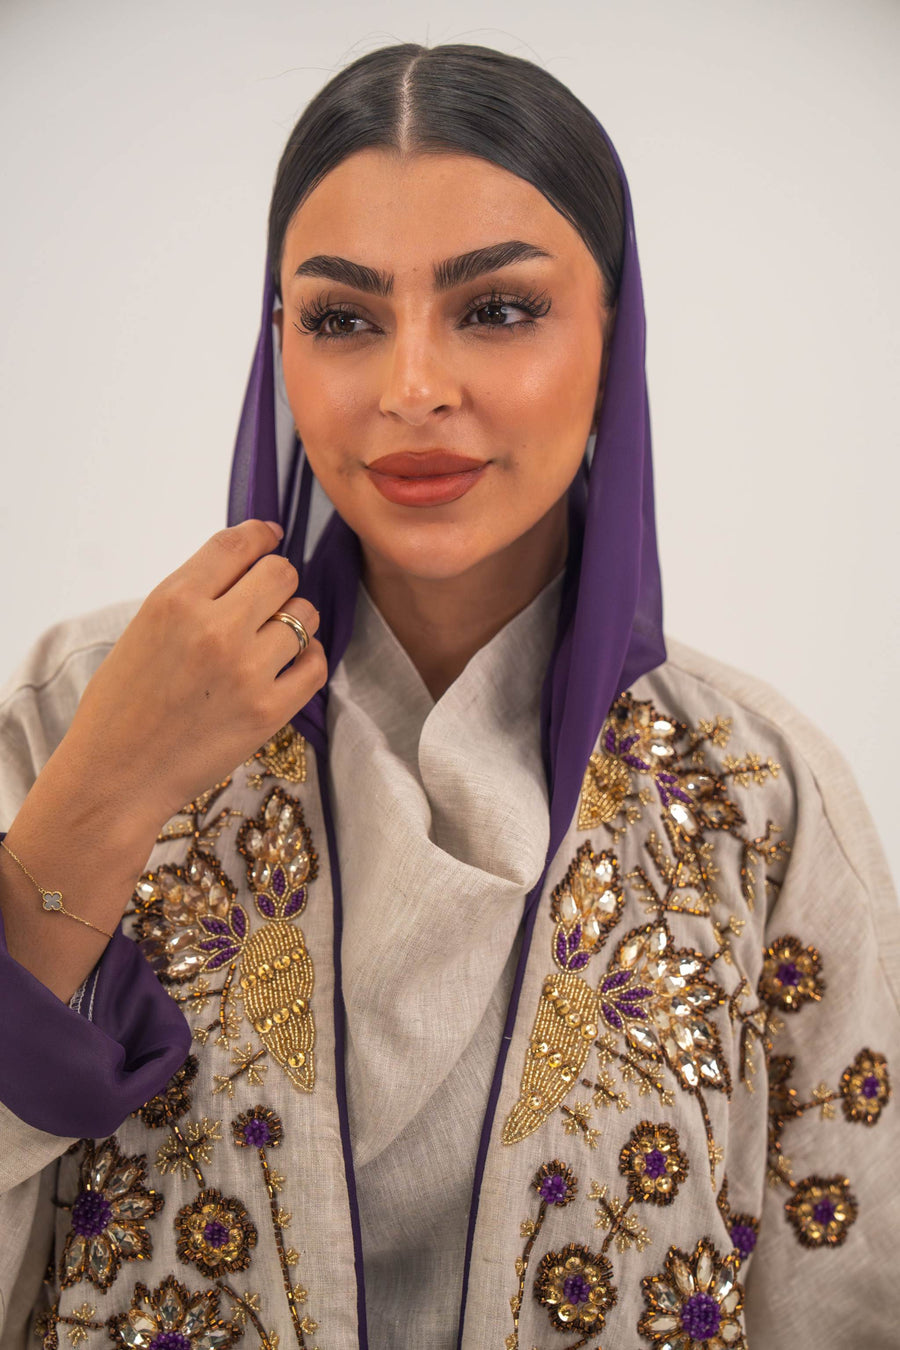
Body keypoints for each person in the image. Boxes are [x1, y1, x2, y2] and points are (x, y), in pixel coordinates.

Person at [0, 40, 897, 1350]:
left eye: (497, 309)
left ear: (613, 339)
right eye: (345, 318)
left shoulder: (757, 798)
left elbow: (848, 1283)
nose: (413, 385)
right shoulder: (79, 707)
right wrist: (110, 787)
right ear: (281, 348)